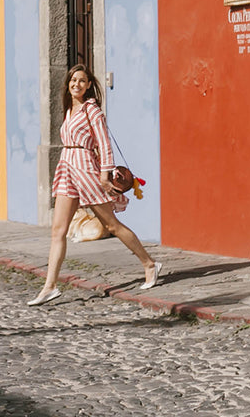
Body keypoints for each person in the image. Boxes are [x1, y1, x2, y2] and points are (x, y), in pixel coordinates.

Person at [28, 64, 162, 305]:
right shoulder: (69, 109)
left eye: (82, 81)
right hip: (67, 167)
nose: (76, 84)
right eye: (73, 80)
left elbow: (104, 143)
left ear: (89, 85)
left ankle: (149, 263)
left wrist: (105, 174)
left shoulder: (93, 110)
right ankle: (49, 286)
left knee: (111, 225)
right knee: (58, 230)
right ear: (68, 84)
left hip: (87, 168)